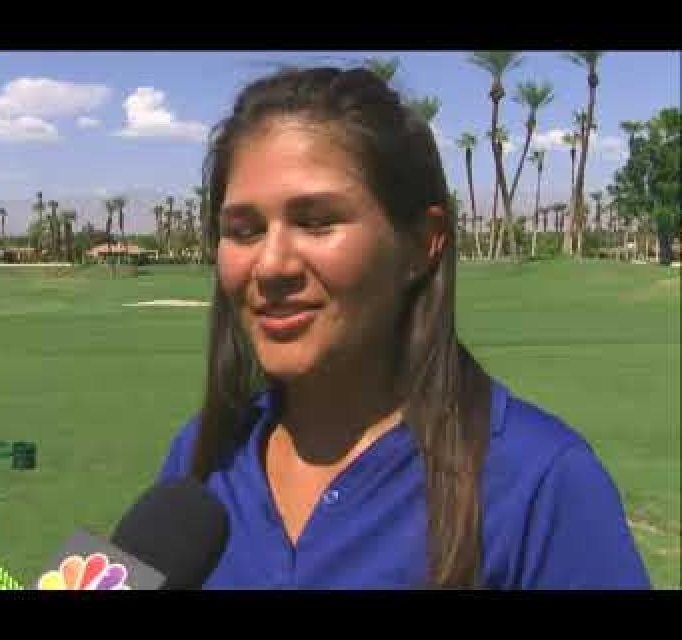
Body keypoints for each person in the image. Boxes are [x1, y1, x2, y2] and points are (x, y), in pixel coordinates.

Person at [156, 66, 650, 589]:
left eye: (317, 221)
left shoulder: (540, 481)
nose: (272, 264)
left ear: (422, 243)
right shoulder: (202, 455)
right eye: (244, 229)